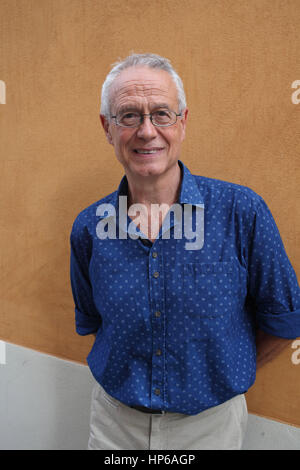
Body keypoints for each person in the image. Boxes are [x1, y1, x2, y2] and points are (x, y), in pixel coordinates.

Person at [70, 53, 300, 450]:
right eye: (128, 115)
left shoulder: (241, 212)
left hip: (209, 428)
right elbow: (92, 319)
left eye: (161, 113)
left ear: (183, 122)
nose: (147, 131)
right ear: (107, 128)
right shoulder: (90, 227)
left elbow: (283, 318)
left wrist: (221, 372)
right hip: (114, 425)